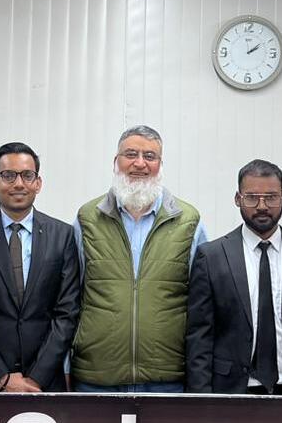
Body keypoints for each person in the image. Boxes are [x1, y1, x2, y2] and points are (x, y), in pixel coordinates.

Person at [71, 125, 207, 393]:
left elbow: (202, 305)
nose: (140, 163)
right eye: (131, 154)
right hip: (96, 379)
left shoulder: (189, 221)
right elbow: (70, 298)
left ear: (160, 164)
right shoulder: (87, 218)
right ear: (116, 161)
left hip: (167, 380)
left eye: (150, 156)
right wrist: (65, 366)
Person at [185, 160, 282, 395]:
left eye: (271, 197)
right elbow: (199, 337)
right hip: (231, 391)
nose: (262, 206)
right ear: (237, 199)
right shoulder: (211, 257)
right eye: (251, 197)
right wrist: (201, 400)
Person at [0, 142, 80, 392]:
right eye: (8, 175)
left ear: (38, 183)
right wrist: (1, 377)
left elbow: (67, 312)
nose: (19, 184)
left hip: (43, 383)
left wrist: (37, 377)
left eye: (27, 175)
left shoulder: (62, 235)